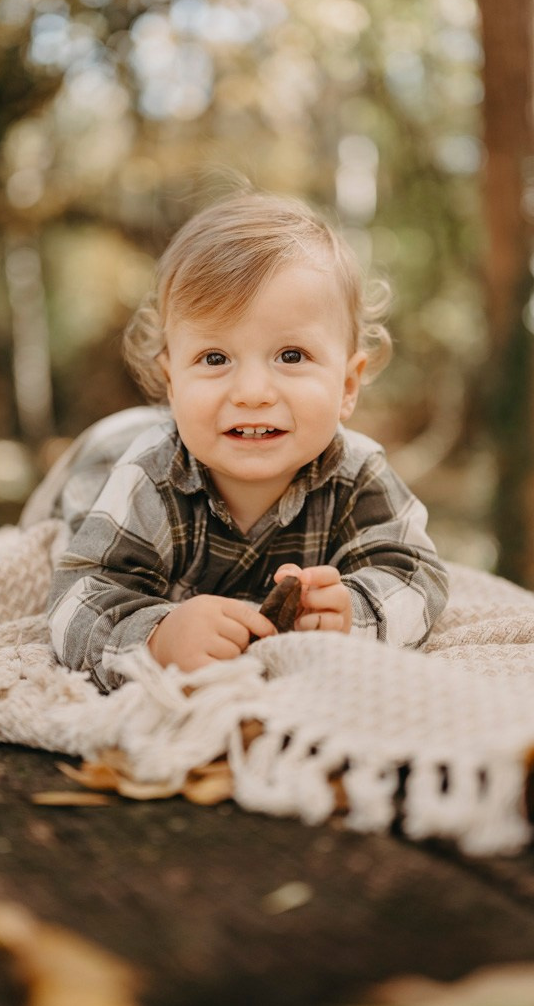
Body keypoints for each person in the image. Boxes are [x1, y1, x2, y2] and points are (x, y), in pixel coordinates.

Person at [44, 188, 448, 691]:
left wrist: (356, 611)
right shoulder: (148, 476)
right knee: (61, 521)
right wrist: (156, 639)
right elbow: (76, 596)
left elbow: (414, 571)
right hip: (96, 460)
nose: (253, 393)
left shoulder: (357, 473)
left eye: (291, 356)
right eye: (215, 359)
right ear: (172, 383)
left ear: (347, 385)